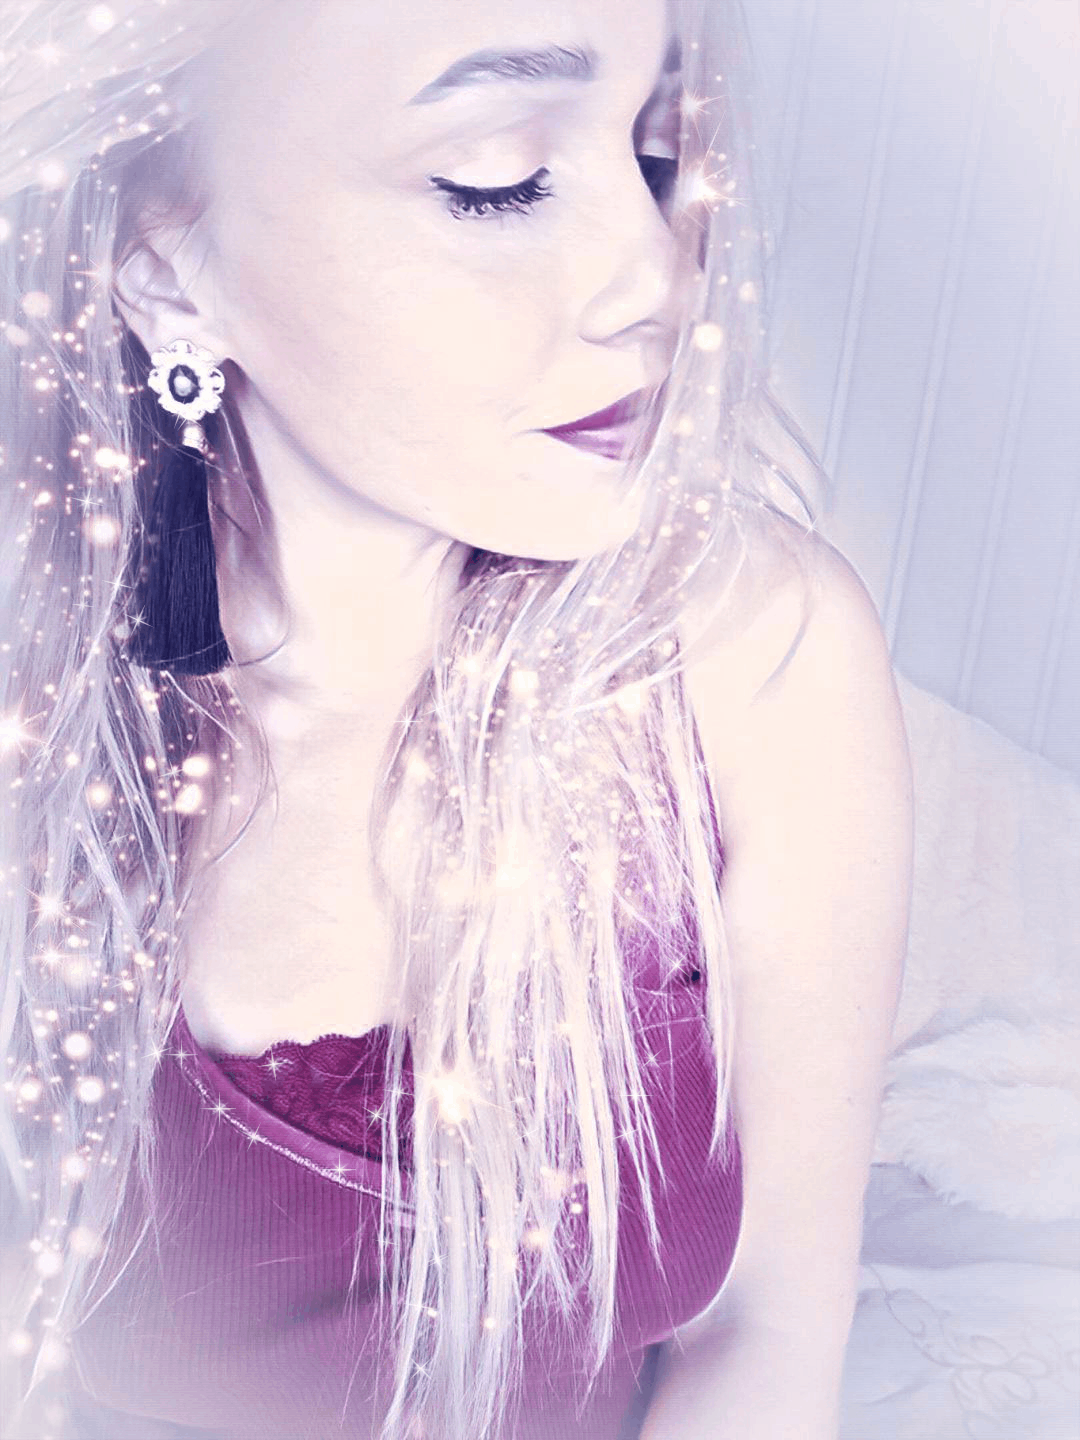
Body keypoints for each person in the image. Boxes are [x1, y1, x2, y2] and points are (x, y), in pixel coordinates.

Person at [0, 1, 914, 1437]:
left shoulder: (756, 652)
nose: (658, 279)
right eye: (499, 175)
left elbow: (768, 1327)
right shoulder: (49, 746)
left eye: (655, 159)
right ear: (165, 268)